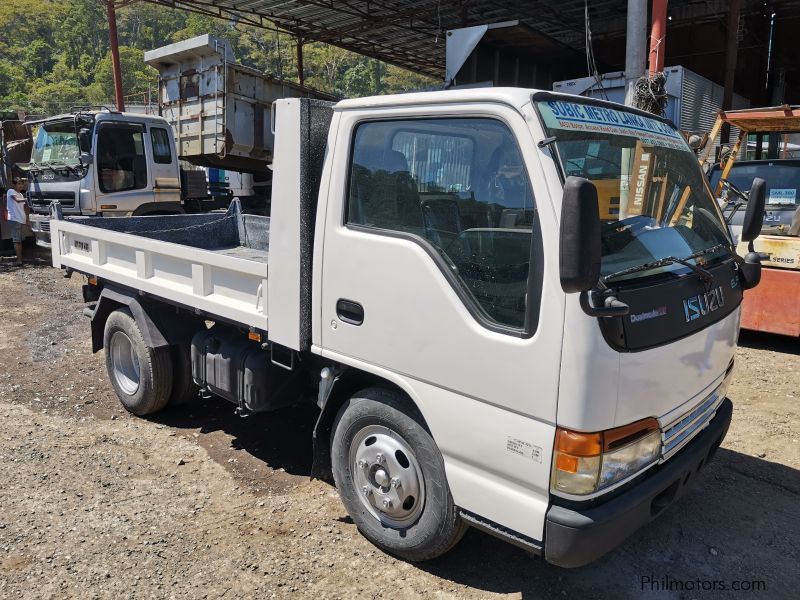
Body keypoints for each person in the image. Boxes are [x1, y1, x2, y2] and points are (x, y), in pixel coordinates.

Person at [4, 177, 28, 265]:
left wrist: (27, 220)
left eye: (22, 184)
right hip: (14, 219)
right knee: (17, 241)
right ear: (14, 185)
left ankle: (20, 258)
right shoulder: (11, 191)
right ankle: (19, 260)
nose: (21, 185)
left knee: (19, 240)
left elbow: (24, 207)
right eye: (19, 184)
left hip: (21, 219)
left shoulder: (21, 195)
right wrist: (28, 199)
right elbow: (17, 200)